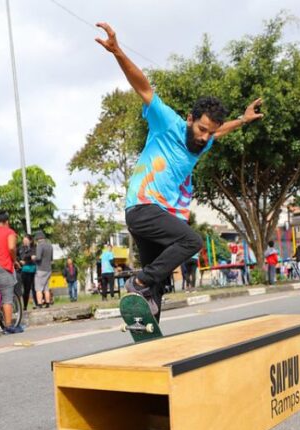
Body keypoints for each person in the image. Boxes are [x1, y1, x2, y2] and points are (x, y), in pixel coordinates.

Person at [96, 22, 264, 318]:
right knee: (191, 241)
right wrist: (117, 52)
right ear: (189, 119)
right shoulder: (168, 121)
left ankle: (149, 338)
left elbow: (220, 130)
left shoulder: (205, 142)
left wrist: (243, 120)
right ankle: (137, 280)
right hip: (143, 208)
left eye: (208, 133)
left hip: (159, 217)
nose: (203, 137)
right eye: (201, 129)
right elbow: (143, 86)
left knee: (155, 287)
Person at [17, 236, 39, 310]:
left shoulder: (34, 247)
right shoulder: (20, 248)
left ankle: (36, 304)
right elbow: (17, 256)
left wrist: (27, 258)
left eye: (26, 240)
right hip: (24, 271)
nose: (24, 242)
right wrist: (19, 261)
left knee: (34, 288)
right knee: (26, 290)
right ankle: (25, 306)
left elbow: (33, 256)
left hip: (33, 270)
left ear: (30, 241)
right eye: (24, 240)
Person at [34, 230, 54, 307]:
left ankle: (39, 304)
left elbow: (38, 258)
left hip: (41, 269)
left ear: (38, 238)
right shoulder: (50, 245)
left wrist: (34, 258)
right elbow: (51, 259)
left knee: (38, 288)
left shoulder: (39, 246)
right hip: (48, 269)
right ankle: (48, 303)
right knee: (46, 287)